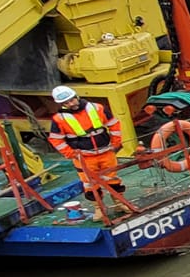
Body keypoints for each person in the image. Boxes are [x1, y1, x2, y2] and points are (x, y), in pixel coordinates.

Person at [45, 85, 132, 218]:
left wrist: (116, 142)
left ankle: (120, 202)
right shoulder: (59, 119)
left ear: (76, 97)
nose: (70, 104)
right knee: (90, 184)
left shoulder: (96, 108)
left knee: (113, 179)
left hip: (105, 152)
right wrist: (70, 153)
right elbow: (56, 139)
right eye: (66, 102)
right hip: (83, 157)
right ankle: (98, 208)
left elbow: (113, 124)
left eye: (72, 100)